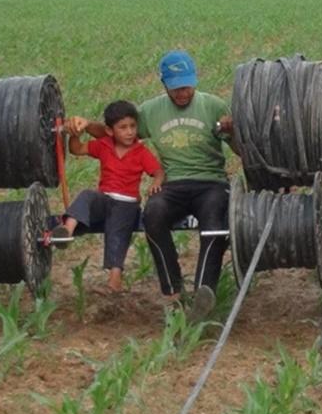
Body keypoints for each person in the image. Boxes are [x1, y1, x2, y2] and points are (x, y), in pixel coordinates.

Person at [82, 50, 235, 319]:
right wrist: (84, 126)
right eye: (175, 88)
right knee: (153, 214)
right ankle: (173, 291)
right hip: (173, 184)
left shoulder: (214, 106)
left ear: (195, 80)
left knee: (215, 222)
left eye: (186, 86)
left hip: (211, 182)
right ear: (164, 84)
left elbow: (239, 146)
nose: (182, 93)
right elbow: (116, 130)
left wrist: (233, 129)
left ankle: (203, 292)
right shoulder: (151, 111)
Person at [52, 100, 163, 292]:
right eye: (123, 128)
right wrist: (75, 135)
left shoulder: (141, 152)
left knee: (117, 232)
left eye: (132, 126)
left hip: (127, 204)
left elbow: (158, 171)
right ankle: (67, 230)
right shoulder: (104, 145)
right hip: (105, 200)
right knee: (87, 196)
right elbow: (77, 149)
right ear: (110, 131)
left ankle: (115, 278)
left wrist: (156, 183)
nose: (129, 132)